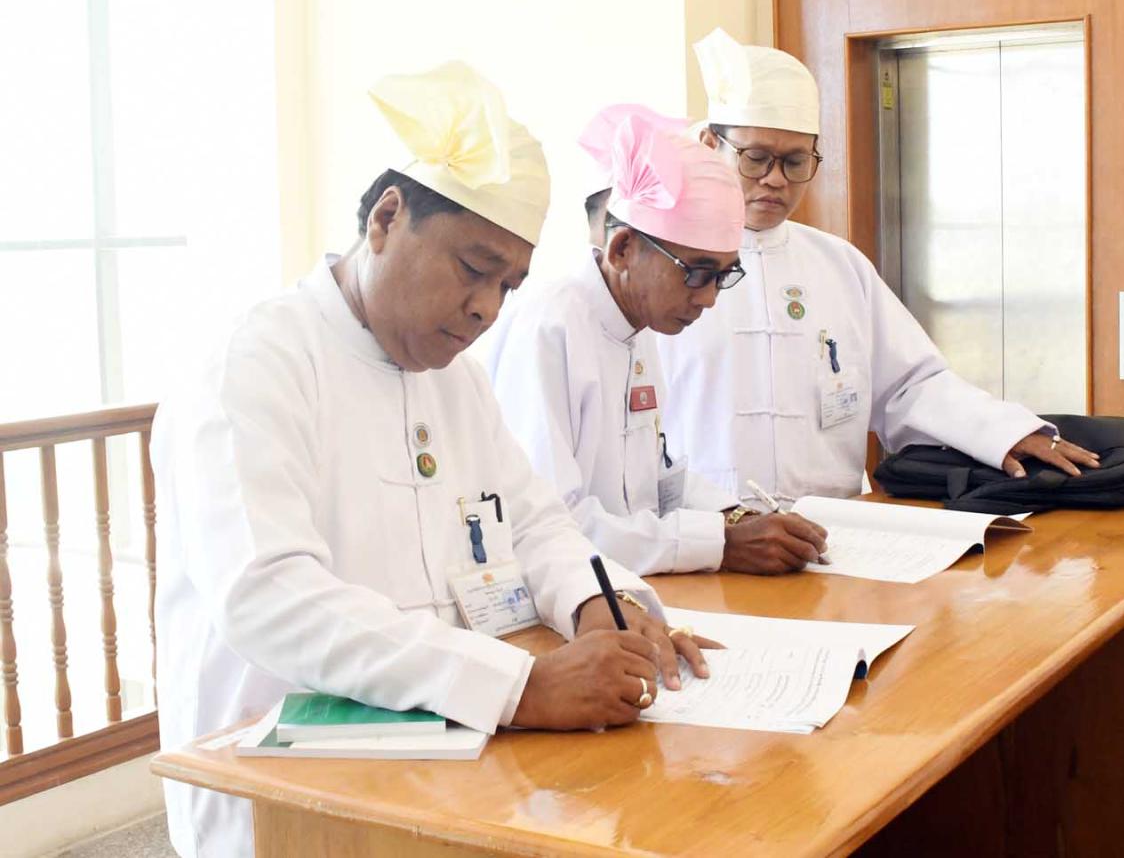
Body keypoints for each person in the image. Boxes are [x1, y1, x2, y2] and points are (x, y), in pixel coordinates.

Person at [153, 64, 710, 858]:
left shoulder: (457, 382)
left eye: (509, 285)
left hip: (449, 765)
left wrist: (599, 604)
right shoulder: (256, 363)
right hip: (283, 798)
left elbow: (536, 523)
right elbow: (270, 597)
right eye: (474, 269)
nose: (486, 308)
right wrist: (518, 686)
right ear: (387, 218)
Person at [655, 28, 1097, 506]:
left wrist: (1004, 433)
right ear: (710, 144)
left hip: (829, 529)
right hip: (705, 533)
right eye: (756, 158)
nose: (776, 179)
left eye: (795, 162)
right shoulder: (664, 269)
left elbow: (910, 387)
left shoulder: (838, 264)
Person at [479, 103, 829, 575]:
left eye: (723, 276)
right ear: (623, 249)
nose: (708, 299)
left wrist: (739, 516)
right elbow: (548, 527)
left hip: (633, 583)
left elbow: (659, 479)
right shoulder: (549, 328)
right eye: (697, 272)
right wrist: (720, 543)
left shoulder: (636, 325)